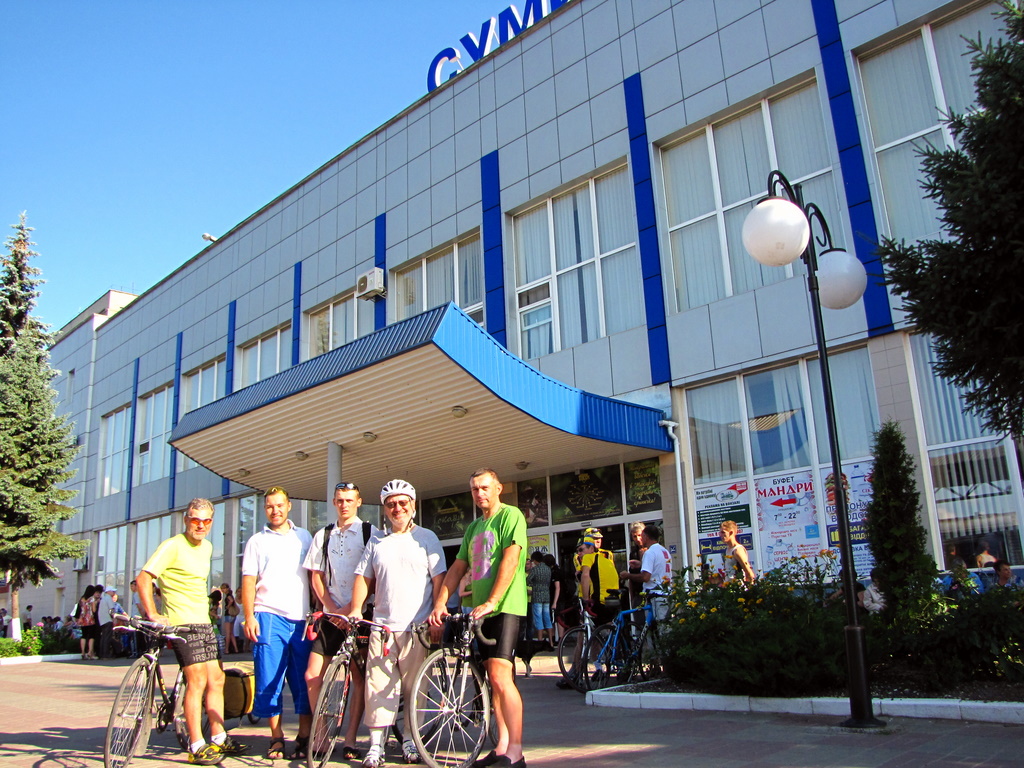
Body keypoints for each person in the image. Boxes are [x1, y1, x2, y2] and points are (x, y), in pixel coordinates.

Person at [136, 498, 249, 765]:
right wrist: (152, 613)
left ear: (211, 522)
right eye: (195, 519)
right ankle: (196, 745)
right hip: (182, 624)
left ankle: (219, 737)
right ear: (186, 519)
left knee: (217, 679)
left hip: (203, 623)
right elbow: (144, 578)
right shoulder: (172, 546)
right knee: (196, 680)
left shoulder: (207, 547)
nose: (200, 525)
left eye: (206, 520)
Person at [430, 468, 528, 768]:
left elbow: (511, 558)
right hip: (479, 610)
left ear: (498, 488)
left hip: (505, 607)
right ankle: (501, 746)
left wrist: (493, 600)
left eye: (485, 487)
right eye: (474, 489)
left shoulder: (511, 516)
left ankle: (516, 751)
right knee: (490, 678)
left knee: (501, 675)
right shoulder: (474, 528)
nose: (479, 493)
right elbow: (458, 567)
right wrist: (440, 603)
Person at [349, 480, 446, 768]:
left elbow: (439, 579)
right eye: (391, 504)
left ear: (413, 505)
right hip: (383, 628)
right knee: (377, 687)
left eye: (403, 502)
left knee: (415, 688)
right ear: (384, 509)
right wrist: (355, 608)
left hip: (417, 627)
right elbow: (363, 578)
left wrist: (438, 613)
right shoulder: (376, 541)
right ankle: (376, 745)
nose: (397, 508)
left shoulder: (427, 537)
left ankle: (410, 740)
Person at [303, 481, 378, 761]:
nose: (344, 504)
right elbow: (316, 576)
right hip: (331, 615)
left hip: (361, 613)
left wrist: (351, 608)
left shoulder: (370, 532)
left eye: (349, 500)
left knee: (359, 677)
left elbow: (375, 575)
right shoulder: (323, 534)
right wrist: (333, 608)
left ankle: (350, 738)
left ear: (358, 502)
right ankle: (322, 734)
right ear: (334, 503)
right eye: (339, 500)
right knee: (312, 674)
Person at [241, 486, 315, 761]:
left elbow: (314, 577)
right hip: (268, 616)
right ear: (265, 509)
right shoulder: (256, 541)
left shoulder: (304, 537)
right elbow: (249, 581)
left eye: (280, 505)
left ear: (289, 506)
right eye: (270, 506)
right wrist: (249, 616)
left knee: (303, 681)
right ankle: (276, 736)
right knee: (269, 680)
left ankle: (304, 736)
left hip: (301, 619)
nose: (276, 511)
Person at [619, 525, 673, 619]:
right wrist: (641, 564)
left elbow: (645, 577)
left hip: (655, 595)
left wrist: (628, 575)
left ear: (646, 537)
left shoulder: (650, 552)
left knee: (658, 625)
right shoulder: (664, 551)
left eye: (642, 536)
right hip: (666, 594)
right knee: (664, 623)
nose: (640, 539)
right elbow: (658, 567)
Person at [577, 535, 620, 625]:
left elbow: (585, 575)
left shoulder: (588, 557)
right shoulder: (606, 561)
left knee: (588, 625)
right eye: (577, 551)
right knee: (607, 626)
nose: (579, 553)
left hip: (600, 600)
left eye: (581, 550)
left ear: (591, 549)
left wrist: (585, 599)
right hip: (613, 600)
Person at [525, 551, 553, 646]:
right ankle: (551, 641)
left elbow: (528, 580)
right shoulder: (548, 569)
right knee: (547, 619)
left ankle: (540, 641)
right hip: (546, 596)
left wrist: (534, 584)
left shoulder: (535, 570)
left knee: (538, 619)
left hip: (537, 596)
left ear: (535, 560)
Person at [76, 585, 99, 660]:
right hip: (90, 619)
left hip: (82, 620)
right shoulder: (92, 599)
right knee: (91, 636)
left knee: (84, 635)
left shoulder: (82, 599)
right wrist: (96, 603)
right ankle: (90, 652)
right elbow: (94, 610)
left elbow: (79, 609)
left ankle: (83, 652)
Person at [221, 586, 240, 654]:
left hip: (228, 614)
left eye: (223, 588)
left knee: (228, 633)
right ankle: (236, 649)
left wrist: (227, 606)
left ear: (227, 589)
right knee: (231, 633)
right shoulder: (231, 595)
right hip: (232, 615)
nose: (222, 590)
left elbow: (231, 601)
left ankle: (226, 649)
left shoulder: (228, 595)